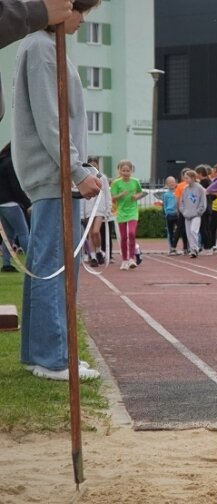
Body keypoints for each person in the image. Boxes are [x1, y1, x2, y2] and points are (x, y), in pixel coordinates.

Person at [11, 0, 102, 382]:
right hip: (54, 176)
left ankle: (40, 353)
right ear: (65, 9)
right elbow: (53, 122)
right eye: (82, 13)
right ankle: (52, 358)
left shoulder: (40, 47)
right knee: (59, 267)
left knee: (46, 266)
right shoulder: (44, 49)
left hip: (51, 174)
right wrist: (78, 170)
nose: (82, 22)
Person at [0, 0, 75, 123]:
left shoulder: (48, 46)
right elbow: (48, 120)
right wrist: (38, 11)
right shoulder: (41, 46)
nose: (82, 19)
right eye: (79, 9)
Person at [0, 142, 31, 273]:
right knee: (23, 232)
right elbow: (15, 187)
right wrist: (28, 203)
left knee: (8, 236)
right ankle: (33, 261)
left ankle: (6, 264)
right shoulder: (11, 163)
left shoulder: (2, 162)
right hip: (11, 204)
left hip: (1, 204)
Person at [110, 159, 143, 270]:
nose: (125, 173)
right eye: (123, 170)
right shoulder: (116, 183)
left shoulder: (135, 181)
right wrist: (121, 195)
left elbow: (140, 192)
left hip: (133, 211)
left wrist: (136, 197)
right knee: (123, 237)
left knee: (132, 233)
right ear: (119, 171)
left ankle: (132, 258)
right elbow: (113, 198)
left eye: (127, 171)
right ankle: (124, 260)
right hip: (121, 212)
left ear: (131, 171)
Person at [81, 155, 111, 266]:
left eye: (95, 162)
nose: (93, 164)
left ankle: (98, 251)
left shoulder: (102, 177)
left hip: (99, 209)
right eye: (91, 162)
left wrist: (108, 209)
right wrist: (81, 213)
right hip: (88, 210)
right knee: (90, 234)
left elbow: (107, 193)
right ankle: (92, 256)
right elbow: (82, 196)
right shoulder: (84, 178)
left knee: (95, 231)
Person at [179, 169, 207, 258]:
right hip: (187, 215)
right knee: (188, 233)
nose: (185, 180)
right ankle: (192, 250)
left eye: (187, 178)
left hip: (196, 215)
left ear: (192, 178)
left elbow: (202, 202)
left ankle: (195, 248)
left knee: (193, 230)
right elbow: (182, 202)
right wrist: (183, 211)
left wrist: (198, 212)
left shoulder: (200, 188)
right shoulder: (185, 189)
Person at [161, 176, 179, 255]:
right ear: (167, 184)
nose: (171, 184)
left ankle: (184, 247)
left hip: (178, 214)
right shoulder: (166, 195)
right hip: (170, 214)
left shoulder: (178, 192)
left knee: (180, 231)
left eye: (173, 182)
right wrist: (166, 213)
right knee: (170, 232)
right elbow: (164, 205)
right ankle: (172, 248)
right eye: (169, 182)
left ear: (175, 183)